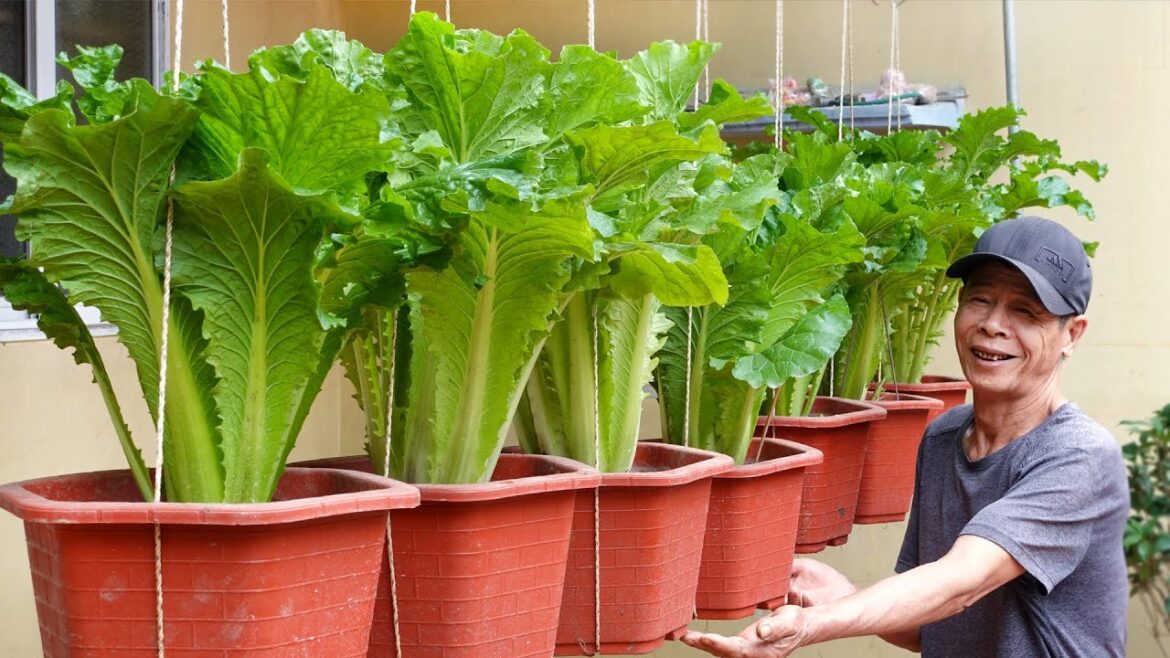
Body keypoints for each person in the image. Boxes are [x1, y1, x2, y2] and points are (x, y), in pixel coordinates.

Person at [681, 216, 1128, 657]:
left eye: (1024, 311)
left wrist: (812, 625)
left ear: (1072, 334)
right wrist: (843, 595)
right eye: (980, 300)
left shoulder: (1079, 455)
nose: (993, 324)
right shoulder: (943, 436)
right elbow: (931, 627)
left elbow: (959, 584)